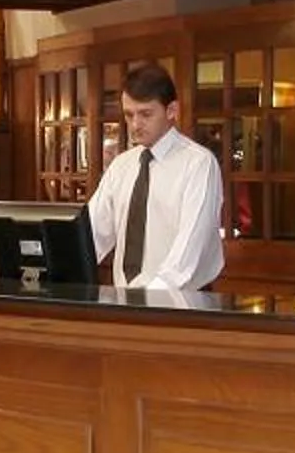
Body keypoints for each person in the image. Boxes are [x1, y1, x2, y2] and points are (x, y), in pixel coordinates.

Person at [87, 61, 225, 290]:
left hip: (182, 302)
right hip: (126, 302)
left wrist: (152, 301)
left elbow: (190, 246)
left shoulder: (198, 164)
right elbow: (92, 234)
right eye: (129, 115)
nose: (135, 125)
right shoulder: (121, 166)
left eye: (145, 114)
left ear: (172, 111)